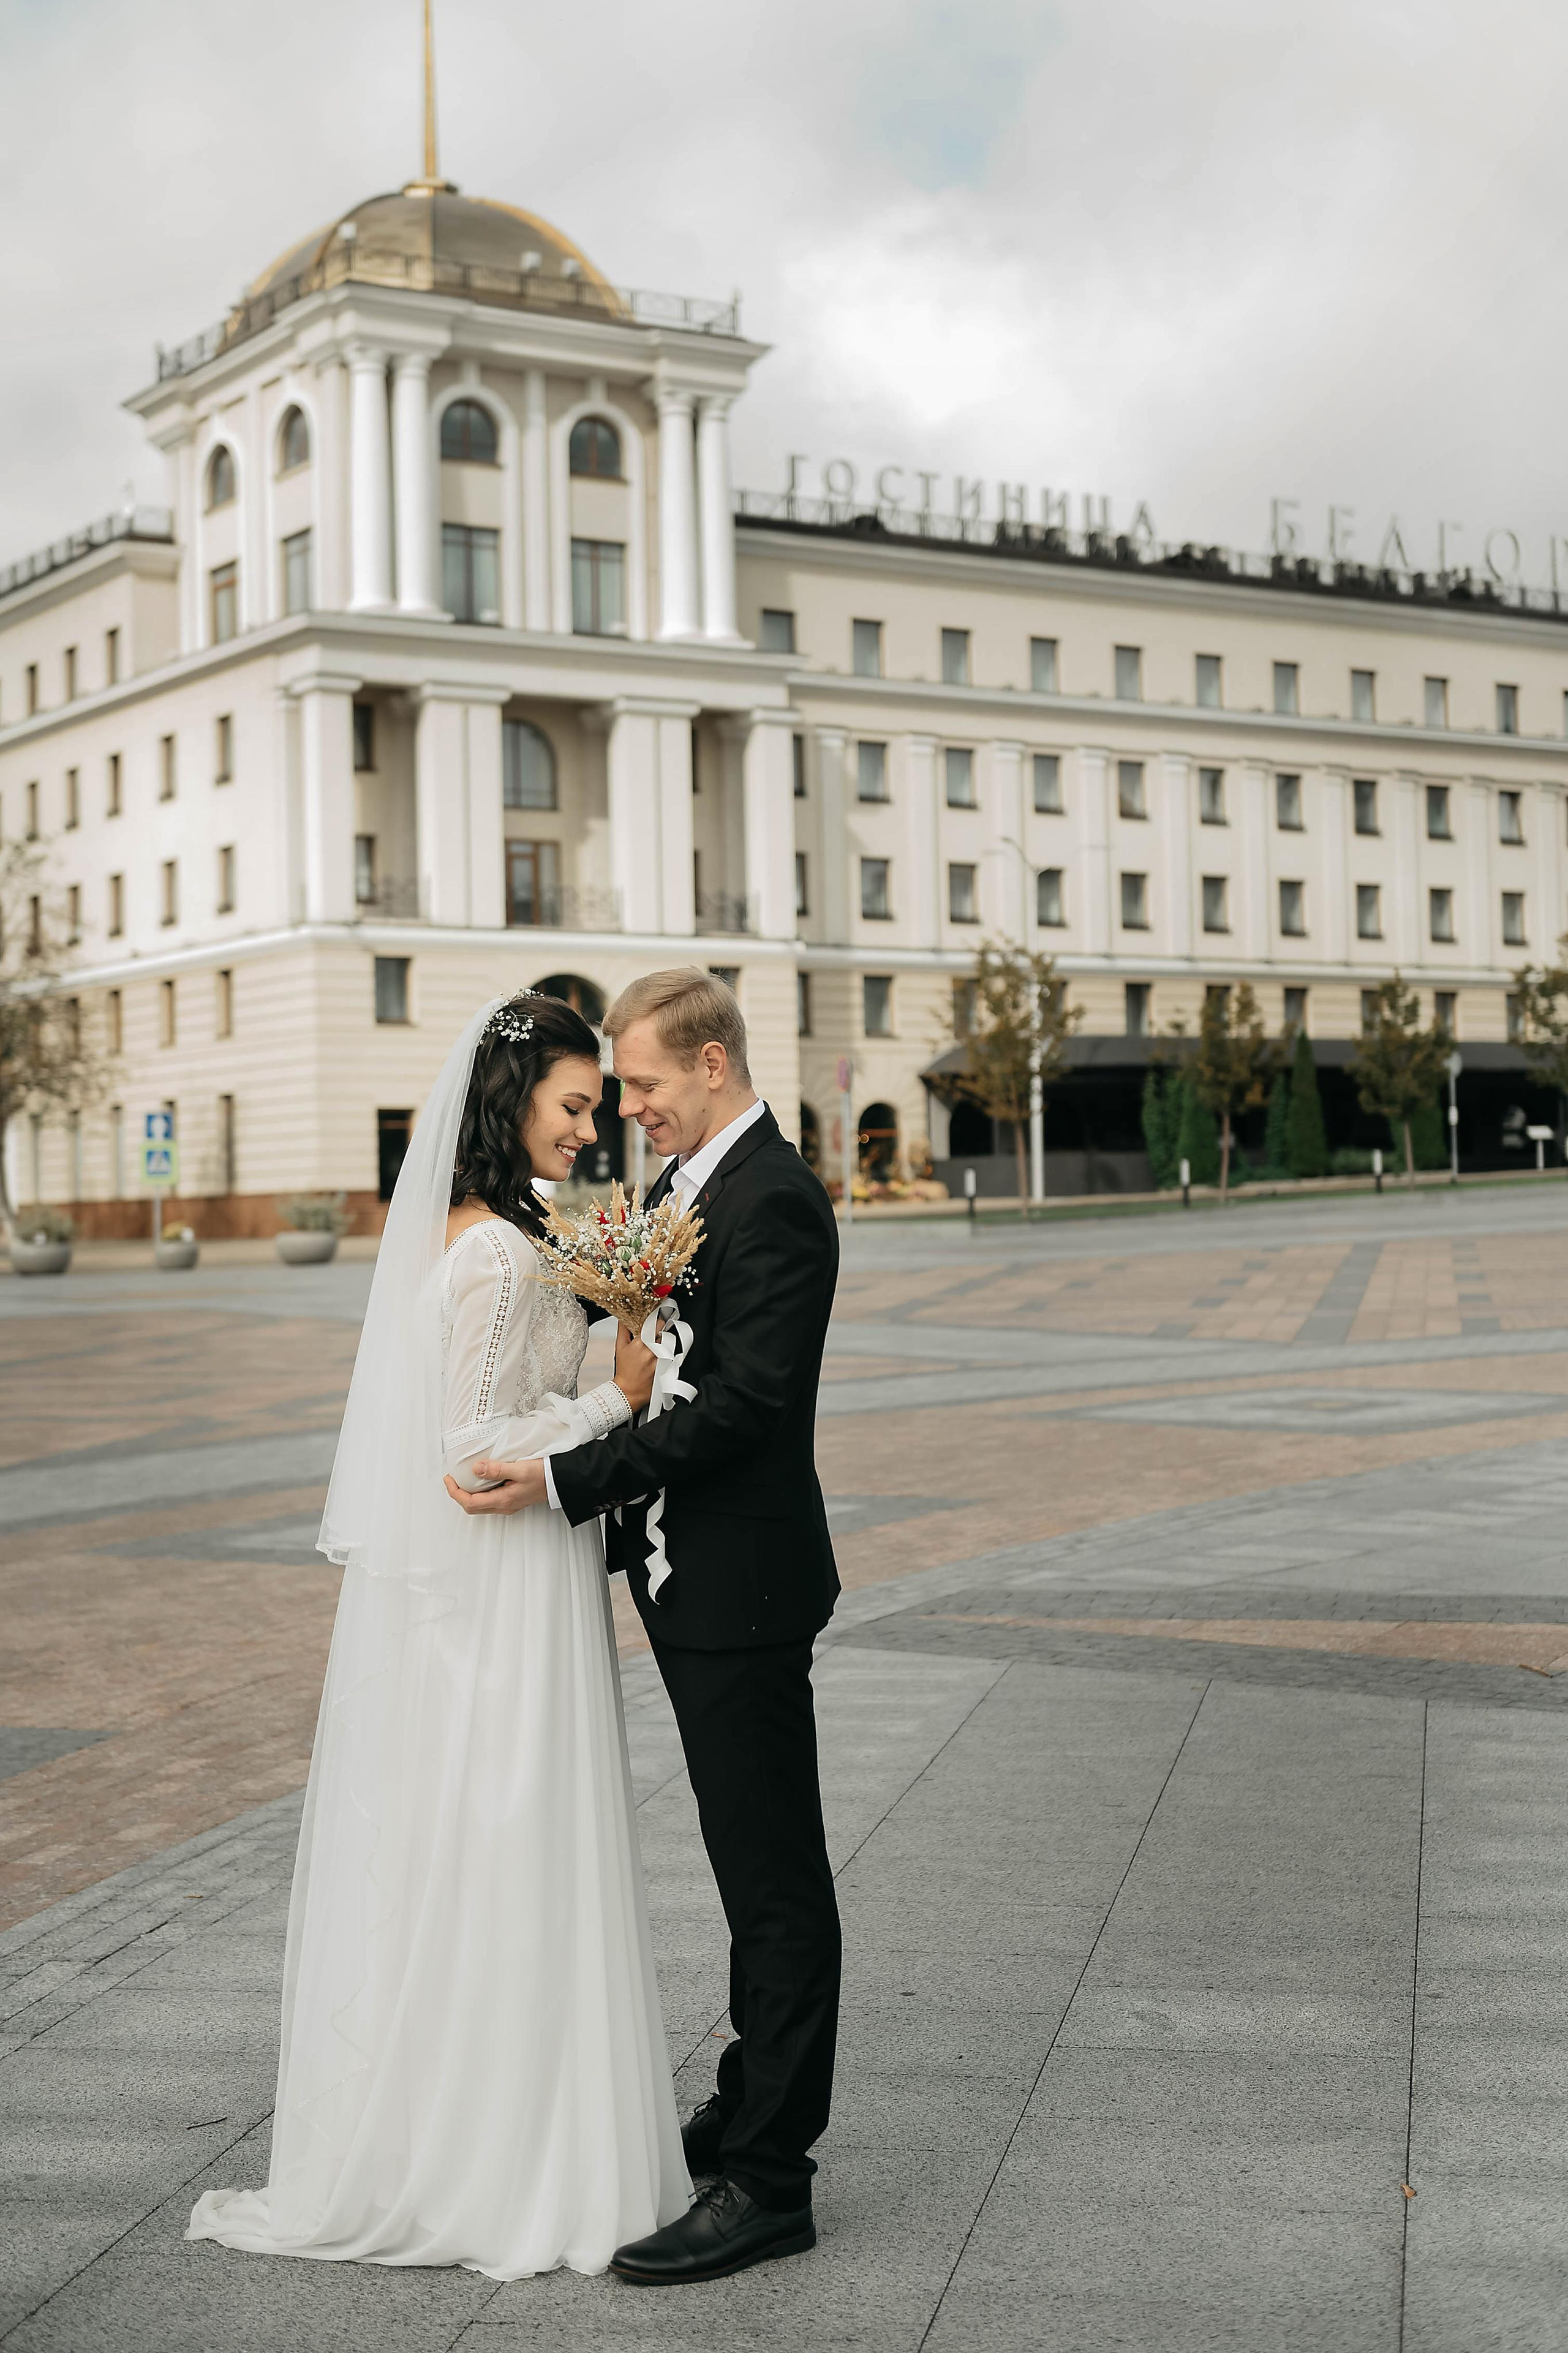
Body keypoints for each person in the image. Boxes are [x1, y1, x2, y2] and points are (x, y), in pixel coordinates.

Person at [187, 992, 690, 2278]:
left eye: (595, 1107)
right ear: (510, 1096)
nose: (591, 1130)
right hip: (501, 1583)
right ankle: (506, 2163)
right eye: (575, 1105)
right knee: (512, 1833)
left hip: (512, 1573)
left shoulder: (500, 1236)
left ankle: (504, 2140)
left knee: (500, 1837)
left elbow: (516, 1393)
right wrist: (609, 1411)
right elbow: (469, 1445)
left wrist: (603, 1368)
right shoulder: (491, 1254)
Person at [448, 968, 842, 2286]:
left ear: (715, 1064)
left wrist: (565, 1480)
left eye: (645, 1083)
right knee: (743, 1863)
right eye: (616, 1086)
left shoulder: (772, 1200)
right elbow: (643, 1360)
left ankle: (769, 2177)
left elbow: (739, 1410)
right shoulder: (686, 1194)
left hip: (744, 1588)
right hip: (685, 1579)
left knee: (771, 1876)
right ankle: (742, 2105)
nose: (629, 1106)